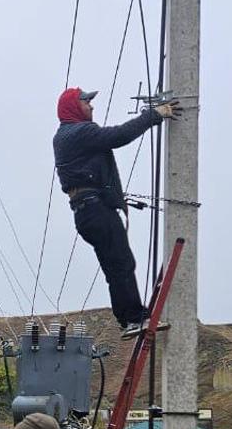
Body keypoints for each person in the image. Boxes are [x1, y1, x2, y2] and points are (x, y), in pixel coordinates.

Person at [53, 88, 178, 335]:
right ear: (74, 107)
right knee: (121, 263)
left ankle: (129, 318)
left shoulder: (65, 135)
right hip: (95, 208)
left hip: (86, 210)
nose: (91, 106)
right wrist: (154, 115)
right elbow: (119, 135)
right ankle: (133, 318)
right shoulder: (80, 132)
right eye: (86, 102)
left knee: (115, 265)